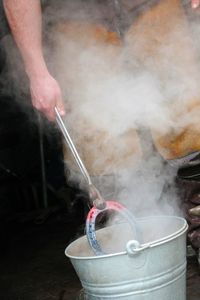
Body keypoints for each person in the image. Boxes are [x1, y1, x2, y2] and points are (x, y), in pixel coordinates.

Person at [3, 0, 199, 121]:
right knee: (100, 135)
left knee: (188, 115)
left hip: (153, 8)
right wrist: (38, 73)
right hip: (76, 19)